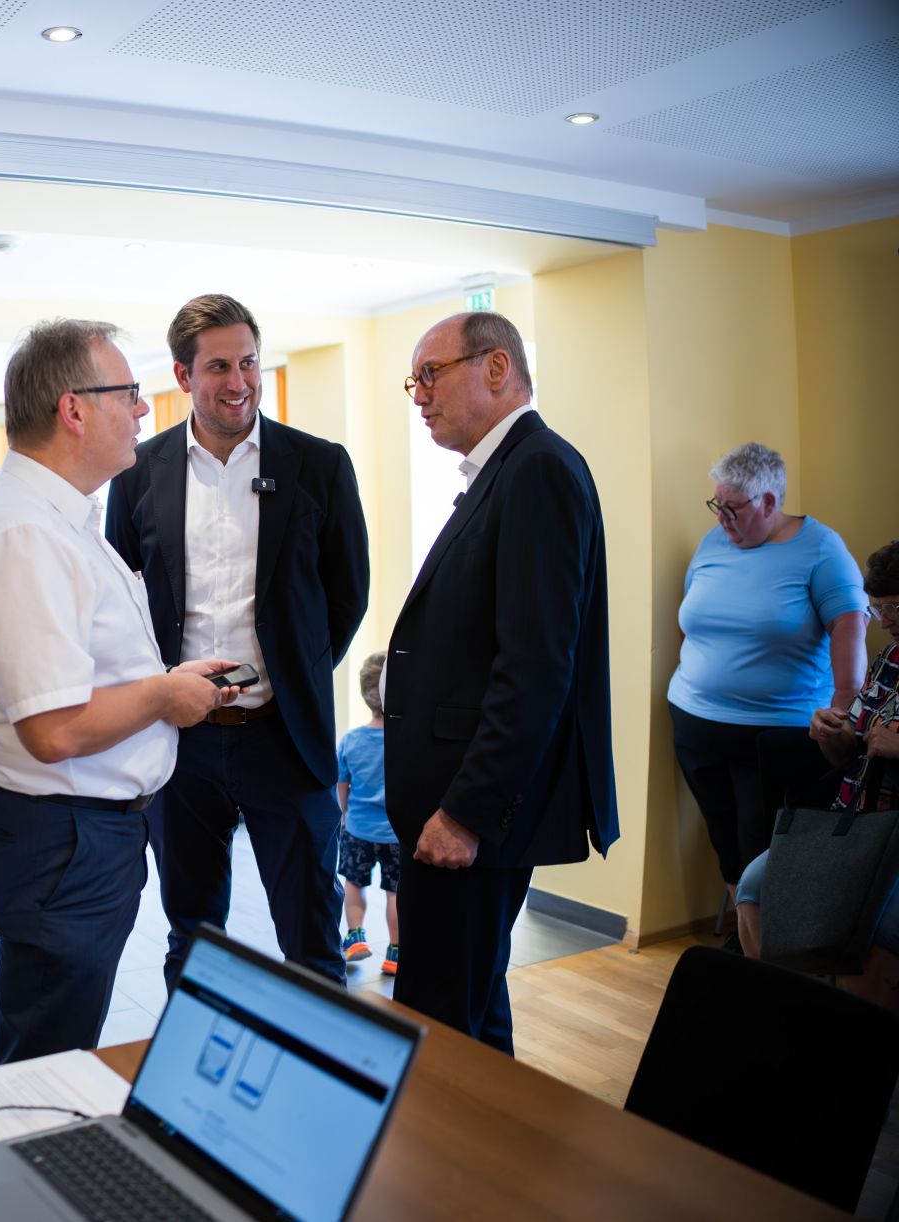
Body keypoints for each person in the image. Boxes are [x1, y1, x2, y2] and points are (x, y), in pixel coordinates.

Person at [0, 318, 236, 1065]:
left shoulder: (58, 519)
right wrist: (165, 696)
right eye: (131, 394)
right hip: (63, 840)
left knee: (48, 1041)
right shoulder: (27, 534)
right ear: (73, 410)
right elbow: (54, 730)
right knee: (44, 1061)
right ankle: (20, 1172)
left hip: (75, 835)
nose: (144, 411)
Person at [107, 293, 368, 988]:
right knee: (192, 938)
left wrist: (295, 670)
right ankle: (189, 1092)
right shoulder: (137, 472)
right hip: (181, 744)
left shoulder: (320, 466)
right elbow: (120, 602)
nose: (239, 381)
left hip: (286, 739)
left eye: (249, 362)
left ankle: (319, 1095)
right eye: (219, 365)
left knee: (313, 945)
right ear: (182, 375)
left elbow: (347, 595)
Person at [384, 310, 618, 1055]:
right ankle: (494, 1161)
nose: (418, 394)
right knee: (470, 1007)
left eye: (430, 373)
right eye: (412, 380)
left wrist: (467, 813)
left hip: (470, 812)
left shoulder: (538, 470)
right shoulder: (505, 472)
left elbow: (536, 665)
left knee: (441, 1013)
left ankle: (448, 1168)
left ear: (494, 368)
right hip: (453, 801)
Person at [667, 442, 868, 941]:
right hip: (696, 720)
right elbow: (692, 618)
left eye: (733, 510)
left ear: (770, 503)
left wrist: (841, 712)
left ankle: (766, 953)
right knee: (725, 841)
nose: (723, 521)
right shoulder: (713, 544)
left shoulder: (822, 550)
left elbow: (850, 628)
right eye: (718, 506)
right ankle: (746, 943)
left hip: (777, 732)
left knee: (761, 846)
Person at [735, 540, 899, 960]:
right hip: (851, 822)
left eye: (896, 608)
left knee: (876, 928)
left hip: (890, 836)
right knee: (753, 889)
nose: (886, 622)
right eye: (878, 609)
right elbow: (848, 754)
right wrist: (831, 734)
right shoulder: (889, 659)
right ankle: (785, 1009)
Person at [337, 652, 399, 976]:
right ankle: (395, 952)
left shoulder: (351, 741)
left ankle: (356, 937)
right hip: (396, 833)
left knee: (353, 884)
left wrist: (345, 816)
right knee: (395, 893)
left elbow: (342, 786)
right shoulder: (404, 743)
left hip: (359, 830)